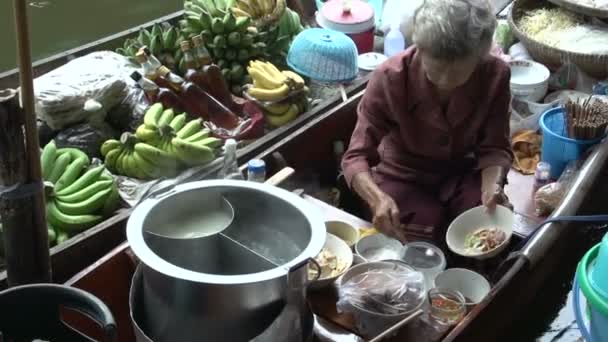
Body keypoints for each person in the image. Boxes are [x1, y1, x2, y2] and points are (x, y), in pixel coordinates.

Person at [341, 0, 513, 243]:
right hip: (402, 175)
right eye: (435, 70)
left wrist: (492, 188)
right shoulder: (390, 77)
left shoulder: (495, 74)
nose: (444, 81)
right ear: (419, 49)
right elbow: (355, 158)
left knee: (486, 225)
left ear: (479, 59)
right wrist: (377, 199)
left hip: (462, 172)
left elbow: (495, 147)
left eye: (456, 74)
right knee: (419, 231)